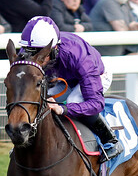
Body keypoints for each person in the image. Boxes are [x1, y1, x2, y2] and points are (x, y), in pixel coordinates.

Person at [18, 16, 123, 162]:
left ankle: (111, 140)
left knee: (74, 100)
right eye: (31, 53)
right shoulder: (29, 50)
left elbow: (95, 103)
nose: (35, 59)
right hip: (62, 77)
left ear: (54, 49)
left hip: (95, 76)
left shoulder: (80, 57)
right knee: (39, 99)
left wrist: (63, 109)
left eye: (40, 54)